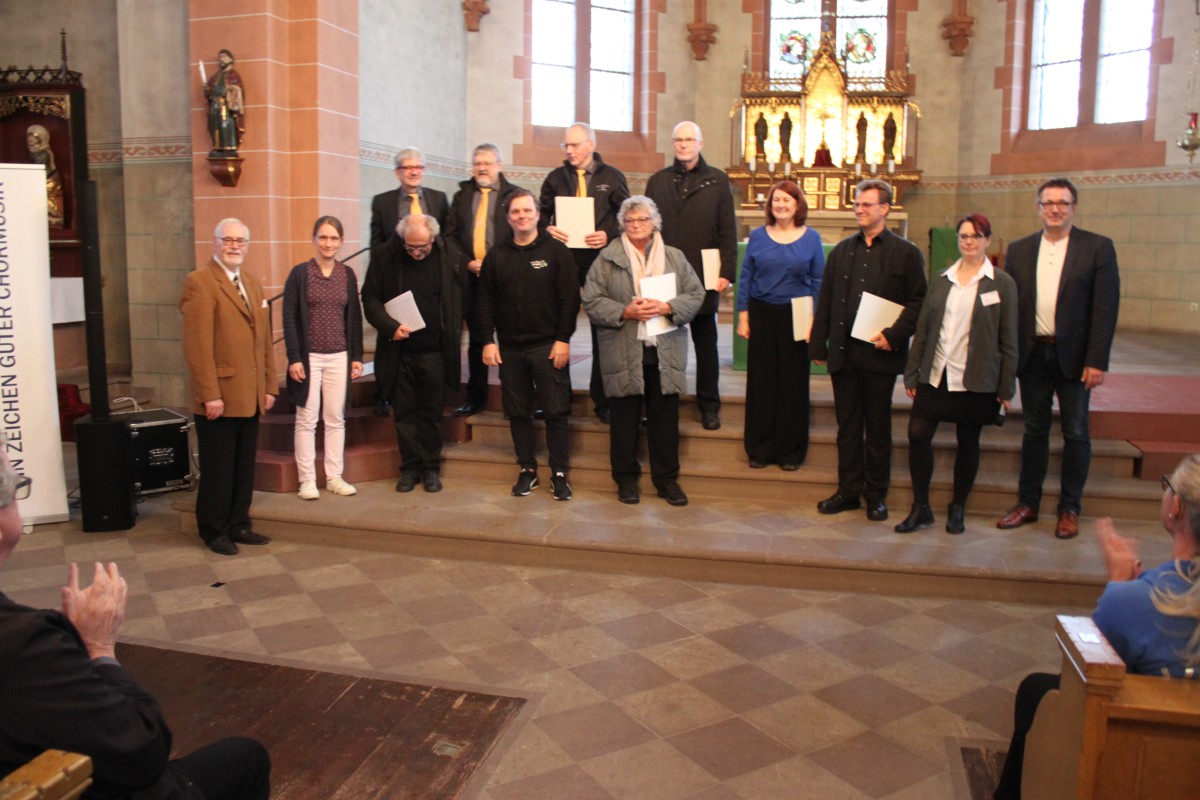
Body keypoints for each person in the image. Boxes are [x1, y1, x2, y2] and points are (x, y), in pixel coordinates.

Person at [0, 452, 272, 800]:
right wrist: (99, 649)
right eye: (15, 492)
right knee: (246, 757)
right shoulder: (26, 645)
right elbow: (141, 752)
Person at [992, 454, 1200, 799]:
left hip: (1138, 752)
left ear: (1175, 506)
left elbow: (1088, 675)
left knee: (1037, 691)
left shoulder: (1136, 600)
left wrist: (1117, 586)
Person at [996, 178, 1120, 540]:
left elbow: (1105, 309)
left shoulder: (1097, 248)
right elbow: (1011, 308)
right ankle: (1028, 503)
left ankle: (1069, 508)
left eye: (1062, 203)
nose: (1055, 209)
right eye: (1048, 203)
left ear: (1073, 207)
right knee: (1034, 430)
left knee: (1076, 432)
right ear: (1038, 208)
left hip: (1075, 357)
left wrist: (1097, 360)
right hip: (1033, 353)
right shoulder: (1019, 250)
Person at [810, 179, 926, 522]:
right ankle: (848, 491)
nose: (859, 209)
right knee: (847, 428)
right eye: (857, 204)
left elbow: (919, 301)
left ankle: (875, 494)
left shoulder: (907, 253)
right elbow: (827, 298)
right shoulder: (843, 250)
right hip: (844, 354)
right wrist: (819, 344)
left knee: (877, 428)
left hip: (880, 355)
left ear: (885, 209)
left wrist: (895, 334)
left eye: (866, 204)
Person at [897, 214, 1017, 534]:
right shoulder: (941, 278)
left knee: (968, 441)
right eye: (964, 236)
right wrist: (912, 373)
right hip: (936, 373)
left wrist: (1006, 387)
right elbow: (923, 330)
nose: (969, 242)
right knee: (918, 433)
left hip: (975, 377)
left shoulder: (1001, 283)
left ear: (987, 240)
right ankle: (921, 507)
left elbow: (1009, 339)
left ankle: (957, 507)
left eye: (976, 236)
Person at [582, 196, 705, 507]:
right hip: (624, 348)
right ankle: (625, 480)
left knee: (665, 419)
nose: (637, 225)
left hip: (664, 350)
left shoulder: (674, 257)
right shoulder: (607, 258)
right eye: (630, 221)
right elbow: (591, 300)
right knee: (624, 419)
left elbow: (695, 293)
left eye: (643, 220)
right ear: (622, 224)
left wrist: (667, 306)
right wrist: (625, 311)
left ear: (655, 223)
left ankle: (667, 480)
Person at [180, 219, 277, 556]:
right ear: (216, 242)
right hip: (219, 396)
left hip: (250, 394)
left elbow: (263, 341)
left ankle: (239, 524)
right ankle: (213, 529)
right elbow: (197, 346)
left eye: (241, 240)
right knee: (218, 469)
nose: (235, 246)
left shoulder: (251, 283)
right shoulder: (200, 283)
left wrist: (268, 385)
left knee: (242, 466)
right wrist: (210, 394)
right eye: (228, 240)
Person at [475, 190, 579, 500]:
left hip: (548, 346)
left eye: (527, 210)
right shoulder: (496, 256)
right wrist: (487, 341)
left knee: (556, 411)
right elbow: (484, 302)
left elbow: (569, 300)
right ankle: (527, 470)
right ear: (508, 218)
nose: (522, 216)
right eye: (515, 212)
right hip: (510, 348)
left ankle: (559, 473)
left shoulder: (557, 252)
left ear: (537, 214)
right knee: (518, 412)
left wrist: (563, 339)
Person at [361, 214, 465, 494]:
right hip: (399, 351)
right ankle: (409, 469)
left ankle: (430, 468)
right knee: (404, 414)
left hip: (434, 351)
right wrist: (390, 327)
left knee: (431, 413)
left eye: (423, 247)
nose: (417, 253)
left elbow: (459, 295)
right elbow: (369, 297)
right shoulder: (385, 256)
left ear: (433, 238)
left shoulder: (446, 255)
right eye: (411, 248)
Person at [644, 121, 737, 431]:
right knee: (662, 343)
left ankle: (709, 405)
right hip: (664, 273)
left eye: (689, 139)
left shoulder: (718, 181)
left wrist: (726, 272)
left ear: (700, 142)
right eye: (678, 140)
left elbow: (727, 229)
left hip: (702, 273)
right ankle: (661, 402)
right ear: (673, 143)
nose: (683, 144)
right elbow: (647, 229)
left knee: (705, 342)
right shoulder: (657, 181)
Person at [538, 122, 630, 424]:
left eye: (574, 145)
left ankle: (602, 400)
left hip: (600, 261)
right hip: (562, 261)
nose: (569, 151)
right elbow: (541, 217)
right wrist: (547, 228)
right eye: (565, 146)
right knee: (557, 328)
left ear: (591, 144)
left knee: (602, 330)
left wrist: (607, 233)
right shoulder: (555, 177)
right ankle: (555, 398)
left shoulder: (612, 177)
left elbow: (624, 219)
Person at [736, 180, 824, 470]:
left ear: (798, 204)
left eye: (787, 200)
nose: (781, 205)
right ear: (770, 205)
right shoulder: (758, 236)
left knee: (793, 383)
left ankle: (790, 451)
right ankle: (760, 449)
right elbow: (747, 275)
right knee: (761, 382)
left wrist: (814, 319)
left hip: (798, 313)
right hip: (762, 311)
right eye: (776, 200)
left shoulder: (811, 238)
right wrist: (744, 315)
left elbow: (818, 281)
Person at [282, 216, 365, 501]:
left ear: (341, 242)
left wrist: (356, 356)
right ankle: (307, 480)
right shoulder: (300, 274)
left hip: (338, 356)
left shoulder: (347, 274)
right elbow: (289, 317)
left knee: (335, 418)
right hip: (309, 358)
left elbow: (354, 317)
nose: (328, 243)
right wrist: (294, 357)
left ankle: (334, 477)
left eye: (333, 238)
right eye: (323, 237)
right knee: (306, 418)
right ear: (314, 239)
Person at [445, 143, 522, 417]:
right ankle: (475, 397)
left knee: (512, 338)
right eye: (477, 163)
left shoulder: (515, 196)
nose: (481, 168)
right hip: (473, 278)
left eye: (487, 163)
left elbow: (523, 235)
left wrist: (497, 264)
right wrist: (467, 261)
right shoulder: (462, 196)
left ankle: (515, 397)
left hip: (506, 278)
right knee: (478, 340)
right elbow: (450, 236)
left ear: (499, 166)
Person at [204, 49, 245, 155]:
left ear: (231, 59)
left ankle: (229, 146)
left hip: (226, 106)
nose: (221, 60)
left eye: (224, 57)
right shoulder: (216, 75)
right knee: (215, 126)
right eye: (220, 58)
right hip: (215, 105)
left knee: (225, 125)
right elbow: (210, 90)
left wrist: (229, 88)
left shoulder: (233, 74)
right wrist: (207, 89)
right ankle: (218, 147)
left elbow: (238, 88)